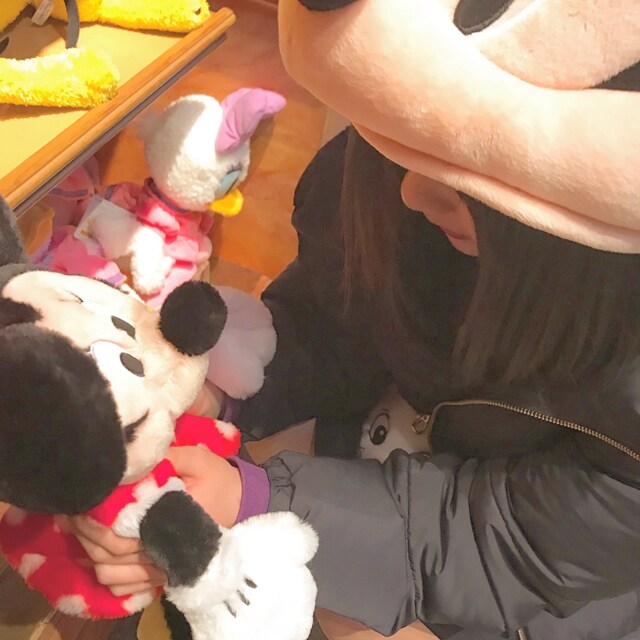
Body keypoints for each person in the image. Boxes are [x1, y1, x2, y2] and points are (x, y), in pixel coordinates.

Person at [64, 1, 640, 639]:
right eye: (408, 143)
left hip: (537, 590)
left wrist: (260, 503)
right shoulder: (386, 175)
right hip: (383, 478)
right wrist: (225, 388)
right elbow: (333, 321)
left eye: (479, 171)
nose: (413, 192)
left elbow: (513, 543)